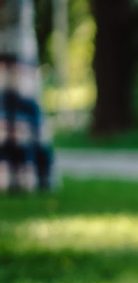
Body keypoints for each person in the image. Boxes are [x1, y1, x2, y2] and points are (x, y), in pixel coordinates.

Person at [1, 0, 53, 192]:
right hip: (12, 44)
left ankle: (24, 177)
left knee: (18, 115)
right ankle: (13, 177)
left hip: (15, 45)